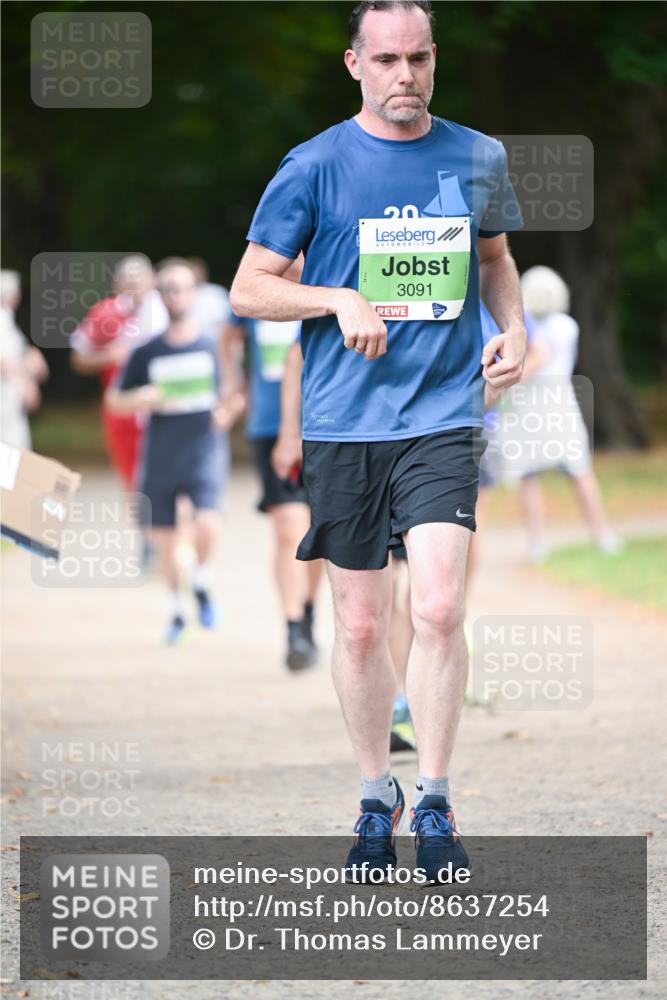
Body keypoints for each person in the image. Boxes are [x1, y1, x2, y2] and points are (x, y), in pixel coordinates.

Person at [230, 0, 526, 882]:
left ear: (434, 60)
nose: (406, 76)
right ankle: (374, 797)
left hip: (442, 414)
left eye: (420, 58)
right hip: (342, 422)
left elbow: (495, 260)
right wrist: (336, 298)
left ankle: (432, 798)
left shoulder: (478, 157)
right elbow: (248, 288)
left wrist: (511, 331)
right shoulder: (313, 166)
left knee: (436, 606)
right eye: (388, 59)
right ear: (354, 63)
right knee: (360, 626)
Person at [106, 259, 229, 645]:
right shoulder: (146, 352)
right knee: (165, 539)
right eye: (167, 289)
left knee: (208, 523)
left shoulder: (211, 346)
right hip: (160, 450)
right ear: (159, 296)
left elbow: (233, 392)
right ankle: (177, 608)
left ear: (195, 292)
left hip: (204, 449)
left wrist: (229, 411)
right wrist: (140, 398)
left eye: (181, 287)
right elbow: (115, 401)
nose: (174, 295)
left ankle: (201, 579)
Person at [221, 259, 323, 671]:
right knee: (288, 530)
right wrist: (232, 382)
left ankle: (309, 609)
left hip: (326, 427)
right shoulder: (256, 287)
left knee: (320, 533)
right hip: (270, 428)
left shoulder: (329, 282)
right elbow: (226, 337)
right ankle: (294, 627)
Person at [497, 265, 620, 561]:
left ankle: (538, 542)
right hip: (560, 401)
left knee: (530, 474)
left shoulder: (523, 330)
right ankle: (601, 534)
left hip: (526, 403)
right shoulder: (568, 326)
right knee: (579, 470)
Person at [71, 255, 168, 487]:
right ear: (118, 285)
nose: (135, 285)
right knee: (133, 480)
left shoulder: (168, 309)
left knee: (169, 477)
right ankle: (144, 523)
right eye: (129, 280)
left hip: (165, 405)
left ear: (153, 279)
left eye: (140, 278)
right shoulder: (104, 313)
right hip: (123, 410)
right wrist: (109, 356)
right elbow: (78, 358)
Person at [0, 270, 48, 448]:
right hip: (6, 399)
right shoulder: (3, 319)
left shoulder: (8, 321)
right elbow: (4, 361)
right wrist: (26, 383)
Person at [188, 258, 232, 342]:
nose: (196, 274)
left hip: (216, 340)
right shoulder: (182, 294)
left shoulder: (216, 292)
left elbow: (228, 319)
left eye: (198, 271)